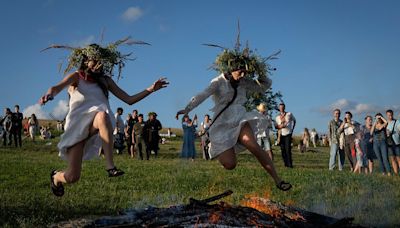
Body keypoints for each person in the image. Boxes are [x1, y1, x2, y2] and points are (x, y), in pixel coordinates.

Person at [39, 40, 168, 197]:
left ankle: (110, 166)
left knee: (102, 115)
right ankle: (56, 176)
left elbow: (129, 99)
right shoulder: (76, 77)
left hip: (96, 126)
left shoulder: (105, 81)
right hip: (77, 130)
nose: (99, 63)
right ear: (86, 60)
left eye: (101, 61)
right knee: (72, 177)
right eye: (96, 60)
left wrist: (151, 89)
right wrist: (49, 95)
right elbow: (56, 87)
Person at [176, 40, 291, 191]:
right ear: (231, 69)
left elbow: (264, 86)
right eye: (240, 71)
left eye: (245, 72)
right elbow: (203, 94)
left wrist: (260, 71)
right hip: (222, 123)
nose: (242, 75)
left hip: (239, 117)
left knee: (253, 145)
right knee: (230, 164)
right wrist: (187, 109)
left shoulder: (244, 81)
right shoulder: (218, 81)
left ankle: (278, 180)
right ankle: (215, 147)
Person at [275, 103, 296, 168]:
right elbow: (276, 127)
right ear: (279, 108)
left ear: (284, 108)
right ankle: (286, 164)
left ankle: (290, 164)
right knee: (283, 150)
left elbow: (294, 121)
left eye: (283, 107)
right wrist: (280, 127)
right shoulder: (277, 117)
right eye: (280, 107)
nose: (281, 109)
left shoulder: (289, 114)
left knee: (288, 149)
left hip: (288, 134)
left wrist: (292, 129)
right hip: (281, 134)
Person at [386, 109, 400, 175]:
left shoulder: (397, 121)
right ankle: (396, 173)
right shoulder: (385, 123)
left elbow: (399, 129)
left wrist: (396, 131)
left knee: (398, 158)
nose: (390, 116)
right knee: (392, 158)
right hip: (389, 143)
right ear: (386, 115)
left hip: (397, 142)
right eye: (388, 115)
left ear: (392, 114)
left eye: (391, 115)